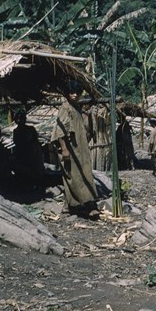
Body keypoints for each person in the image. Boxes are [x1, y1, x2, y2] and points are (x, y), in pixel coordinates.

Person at [51, 80, 100, 218]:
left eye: (77, 93)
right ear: (67, 93)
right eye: (71, 93)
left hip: (80, 150)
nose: (74, 95)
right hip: (70, 150)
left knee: (84, 174)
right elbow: (60, 130)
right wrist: (65, 150)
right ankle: (86, 205)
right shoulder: (65, 108)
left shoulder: (76, 108)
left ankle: (70, 205)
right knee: (74, 177)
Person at [12, 109, 44, 188]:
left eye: (21, 119)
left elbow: (35, 140)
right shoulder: (16, 131)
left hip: (31, 154)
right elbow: (16, 142)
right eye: (18, 119)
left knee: (33, 171)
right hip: (21, 154)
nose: (19, 121)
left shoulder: (31, 129)